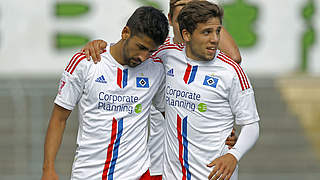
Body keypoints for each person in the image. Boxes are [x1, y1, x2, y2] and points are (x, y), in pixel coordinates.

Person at [81, 1, 240, 179]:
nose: (188, 26)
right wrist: (97, 45)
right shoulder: (159, 52)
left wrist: (218, 130)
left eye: (196, 21)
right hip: (159, 163)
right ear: (171, 20)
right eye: (183, 20)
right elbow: (123, 49)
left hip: (194, 166)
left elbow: (234, 57)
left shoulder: (212, 63)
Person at [41, 6, 169, 180]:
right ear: (125, 32)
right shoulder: (86, 62)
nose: (143, 57)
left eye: (151, 51)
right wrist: (48, 169)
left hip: (137, 174)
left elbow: (171, 117)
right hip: (88, 173)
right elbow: (59, 118)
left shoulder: (156, 70)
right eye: (140, 47)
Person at [151, 1, 260, 179]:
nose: (215, 39)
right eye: (206, 32)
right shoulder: (167, 55)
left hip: (213, 175)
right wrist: (101, 48)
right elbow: (130, 55)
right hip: (172, 175)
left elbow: (251, 124)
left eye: (218, 31)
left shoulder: (230, 71)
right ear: (186, 35)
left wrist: (234, 154)